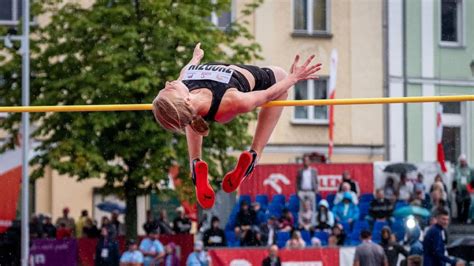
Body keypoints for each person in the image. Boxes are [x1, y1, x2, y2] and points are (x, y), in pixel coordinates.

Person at [152, 43, 322, 209]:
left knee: (188, 114)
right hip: (223, 100)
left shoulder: (185, 88)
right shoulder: (232, 100)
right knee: (281, 80)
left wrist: (196, 58)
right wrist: (293, 78)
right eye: (169, 88)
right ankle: (255, 153)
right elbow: (266, 95)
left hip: (203, 102)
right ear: (185, 98)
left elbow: (183, 75)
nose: (168, 83)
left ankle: (195, 162)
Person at [454, 154, 472, 224]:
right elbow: (454, 179)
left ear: (465, 161)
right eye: (461, 161)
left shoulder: (470, 168)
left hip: (467, 189)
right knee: (459, 204)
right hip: (459, 189)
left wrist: (471, 188)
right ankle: (460, 219)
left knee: (467, 205)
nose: (462, 162)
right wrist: (454, 187)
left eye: (463, 161)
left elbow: (473, 179)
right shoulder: (457, 168)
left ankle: (465, 219)